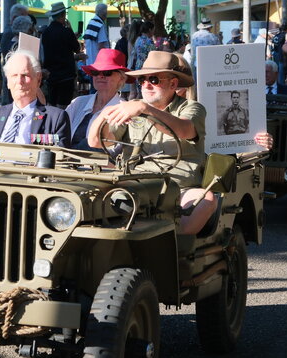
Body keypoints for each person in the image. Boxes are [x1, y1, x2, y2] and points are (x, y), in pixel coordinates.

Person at [87, 51, 213, 235]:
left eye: (154, 80)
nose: (147, 85)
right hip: (133, 182)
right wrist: (104, 115)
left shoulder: (191, 108)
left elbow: (184, 129)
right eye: (142, 80)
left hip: (178, 187)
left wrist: (146, 109)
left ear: (173, 84)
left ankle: (177, 251)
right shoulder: (133, 107)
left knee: (205, 199)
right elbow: (95, 141)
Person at [0, 51, 70, 146]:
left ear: (38, 79)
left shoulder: (55, 118)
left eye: (25, 75)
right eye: (14, 75)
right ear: (8, 82)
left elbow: (59, 157)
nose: (19, 81)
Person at [65, 49, 128, 150]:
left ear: (121, 78)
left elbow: (115, 149)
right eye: (95, 72)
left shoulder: (124, 110)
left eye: (107, 72)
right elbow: (59, 133)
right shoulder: (78, 102)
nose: (100, 76)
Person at [40, 1, 82, 107]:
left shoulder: (45, 33)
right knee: (64, 106)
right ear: (63, 15)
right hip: (66, 75)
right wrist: (71, 31)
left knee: (51, 105)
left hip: (50, 75)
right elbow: (77, 48)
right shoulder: (66, 32)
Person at [128, 21, 156, 99]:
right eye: (153, 30)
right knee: (146, 92)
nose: (153, 32)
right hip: (147, 68)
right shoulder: (149, 41)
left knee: (140, 91)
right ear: (150, 30)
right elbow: (154, 54)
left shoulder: (138, 40)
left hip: (138, 68)